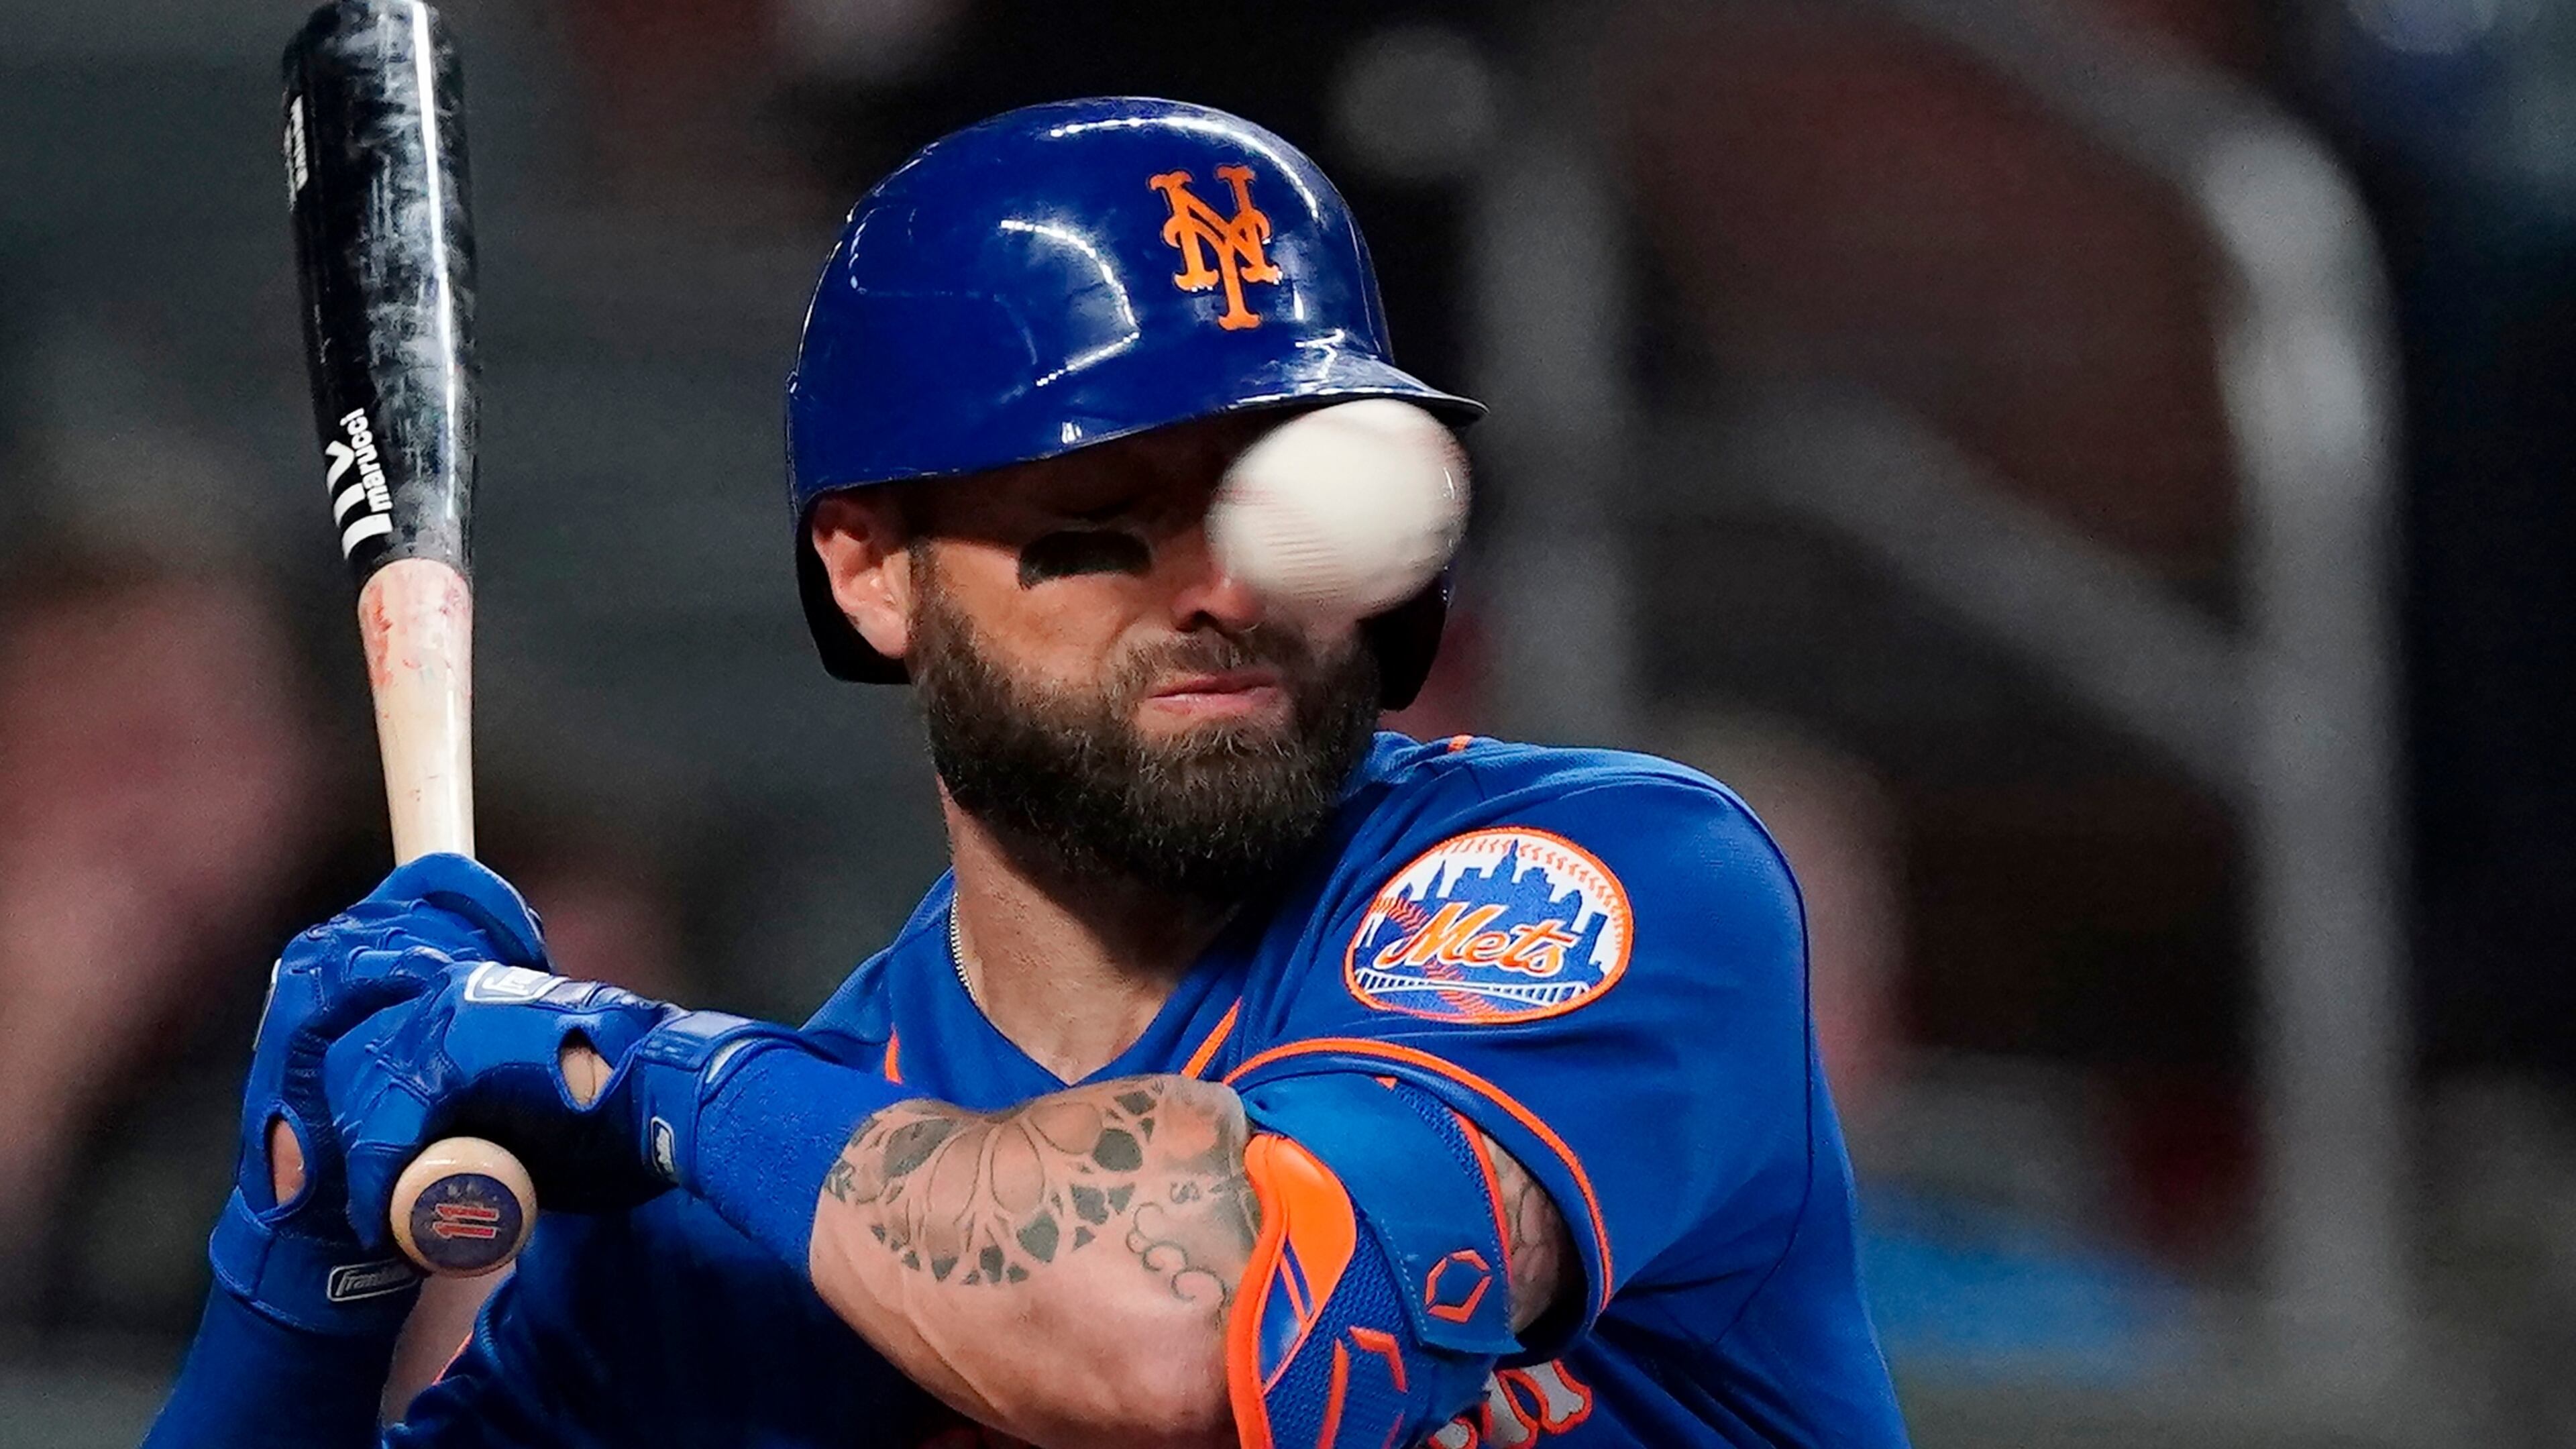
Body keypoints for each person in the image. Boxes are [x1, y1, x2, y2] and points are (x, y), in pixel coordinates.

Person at [142, 99, 1907, 1447]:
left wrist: (644, 1069)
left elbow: (1182, 1329)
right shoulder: (730, 1233)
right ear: (872, 570)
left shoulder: (1583, 888)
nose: (1226, 591)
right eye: (1102, 518)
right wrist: (301, 1271)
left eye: (1283, 504)